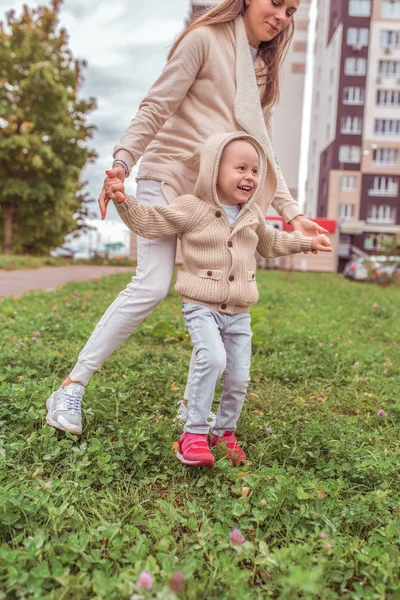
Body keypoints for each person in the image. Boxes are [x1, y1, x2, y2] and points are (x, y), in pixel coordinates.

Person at [46, 0, 328, 436]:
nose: (281, 17)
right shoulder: (203, 38)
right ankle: (71, 386)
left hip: (213, 196)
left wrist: (293, 215)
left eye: (291, 11)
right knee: (153, 283)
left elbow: (264, 149)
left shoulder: (263, 71)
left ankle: (191, 405)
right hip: (168, 175)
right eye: (276, 3)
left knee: (215, 293)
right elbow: (156, 107)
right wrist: (122, 164)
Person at [105, 131, 332, 466]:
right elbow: (151, 221)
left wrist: (305, 243)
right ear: (214, 170)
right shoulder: (192, 208)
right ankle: (193, 434)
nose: (250, 177)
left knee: (239, 376)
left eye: (255, 171)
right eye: (241, 168)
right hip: (201, 306)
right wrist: (124, 200)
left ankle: (224, 433)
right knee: (211, 359)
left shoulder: (251, 214)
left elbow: (270, 243)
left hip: (239, 312)